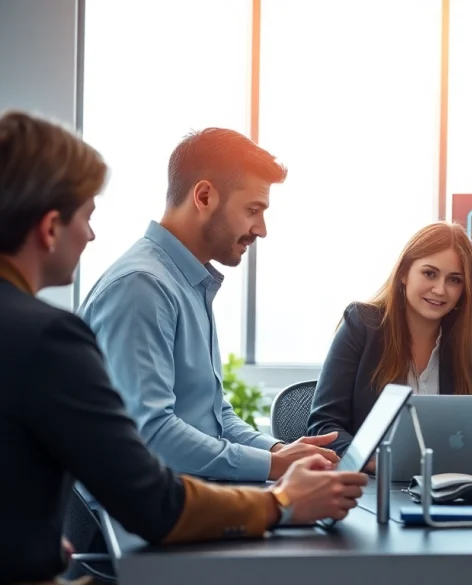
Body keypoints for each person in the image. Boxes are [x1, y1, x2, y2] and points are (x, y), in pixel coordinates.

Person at [0, 110, 368, 585]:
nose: (91, 235)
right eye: (87, 217)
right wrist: (281, 496)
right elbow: (152, 458)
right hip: (128, 545)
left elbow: (211, 412)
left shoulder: (187, 285)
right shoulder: (129, 292)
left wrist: (277, 452)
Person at [78, 128, 338, 483]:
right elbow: (153, 435)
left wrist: (279, 452)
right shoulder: (143, 287)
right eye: (253, 210)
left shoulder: (187, 281)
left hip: (184, 498)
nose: (261, 229)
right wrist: (274, 467)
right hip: (138, 521)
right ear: (204, 196)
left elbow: (215, 418)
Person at [308, 222, 472, 473]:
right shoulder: (362, 325)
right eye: (429, 273)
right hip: (371, 487)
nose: (440, 289)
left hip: (448, 487)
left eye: (454, 280)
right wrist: (374, 462)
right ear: (404, 273)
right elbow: (324, 424)